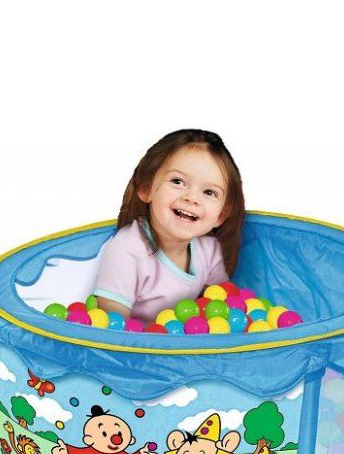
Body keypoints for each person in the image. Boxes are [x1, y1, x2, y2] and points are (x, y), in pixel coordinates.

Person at [93, 129, 245, 323]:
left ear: (220, 215)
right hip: (138, 341)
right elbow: (112, 329)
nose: (192, 198)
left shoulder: (209, 251)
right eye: (177, 181)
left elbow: (223, 309)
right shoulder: (127, 251)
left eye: (209, 192)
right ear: (146, 188)